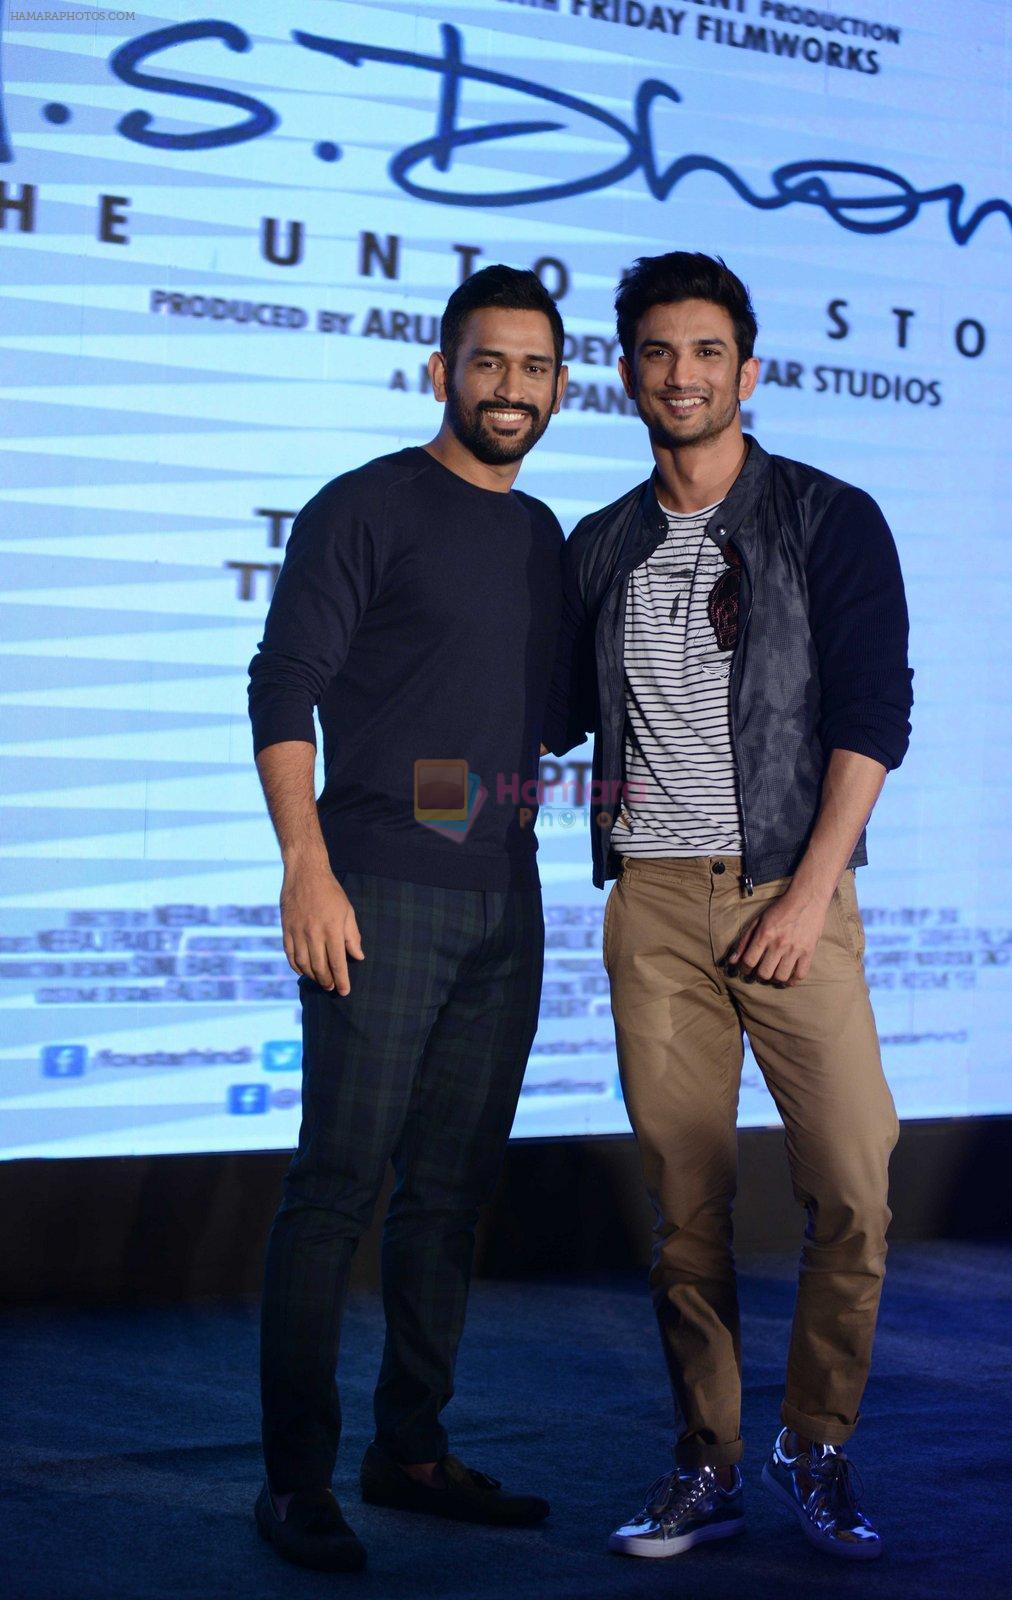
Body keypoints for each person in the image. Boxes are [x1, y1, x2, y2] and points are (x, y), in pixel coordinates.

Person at [542, 251, 912, 1563]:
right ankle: (705, 1461)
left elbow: (874, 719)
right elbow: (545, 725)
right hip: (651, 907)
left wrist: (810, 894)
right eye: (658, 352)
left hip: (790, 894)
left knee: (857, 1181)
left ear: (747, 372)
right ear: (629, 374)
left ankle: (817, 1444)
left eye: (708, 352)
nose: (683, 374)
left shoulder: (826, 517)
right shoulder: (601, 546)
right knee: (688, 1204)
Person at [247, 265, 568, 1572]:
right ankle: (294, 1482)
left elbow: (522, 722)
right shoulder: (366, 507)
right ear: (441, 370)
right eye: (487, 363)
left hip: (507, 901)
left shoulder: (545, 534)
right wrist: (305, 864)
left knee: (449, 1193)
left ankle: (411, 1448)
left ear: (560, 387)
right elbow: (283, 685)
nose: (511, 389)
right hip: (376, 893)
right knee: (338, 1189)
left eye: (535, 369)